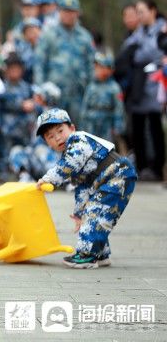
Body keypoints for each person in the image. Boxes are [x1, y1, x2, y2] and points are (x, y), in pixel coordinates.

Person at [35, 108, 137, 268]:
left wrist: (49, 178)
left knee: (96, 211)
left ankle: (87, 255)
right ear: (47, 143)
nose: (57, 137)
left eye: (60, 130)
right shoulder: (69, 154)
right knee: (93, 212)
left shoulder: (78, 141)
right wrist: (78, 214)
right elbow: (82, 188)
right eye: (50, 136)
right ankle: (101, 254)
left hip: (118, 174)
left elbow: (69, 164)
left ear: (72, 128)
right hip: (110, 179)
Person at [120, 0, 166, 181]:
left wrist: (139, 53)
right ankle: (141, 166)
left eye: (142, 11)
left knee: (155, 127)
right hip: (138, 88)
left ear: (153, 10)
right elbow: (127, 51)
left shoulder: (162, 29)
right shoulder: (138, 32)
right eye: (137, 12)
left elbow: (155, 52)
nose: (139, 15)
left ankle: (156, 168)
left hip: (157, 85)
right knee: (137, 126)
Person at [34, 0, 95, 124]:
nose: (68, 15)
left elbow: (91, 65)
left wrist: (91, 91)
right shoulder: (49, 35)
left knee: (78, 132)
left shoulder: (85, 37)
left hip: (78, 94)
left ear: (78, 13)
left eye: (72, 11)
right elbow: (39, 63)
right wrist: (41, 89)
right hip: (54, 94)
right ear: (59, 12)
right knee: (54, 130)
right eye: (65, 11)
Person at [0, 54, 36, 179]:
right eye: (11, 68)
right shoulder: (1, 85)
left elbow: (34, 103)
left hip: (24, 125)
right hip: (6, 125)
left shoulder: (27, 87)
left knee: (24, 148)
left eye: (17, 68)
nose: (14, 71)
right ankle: (3, 173)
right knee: (4, 151)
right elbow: (2, 99)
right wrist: (21, 104)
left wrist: (30, 105)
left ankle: (24, 172)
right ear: (6, 70)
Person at [80, 52, 125, 143]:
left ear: (109, 70)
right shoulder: (91, 87)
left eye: (101, 67)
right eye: (96, 67)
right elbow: (85, 106)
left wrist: (117, 126)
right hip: (91, 125)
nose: (97, 70)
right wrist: (82, 125)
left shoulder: (114, 88)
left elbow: (118, 108)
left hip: (106, 125)